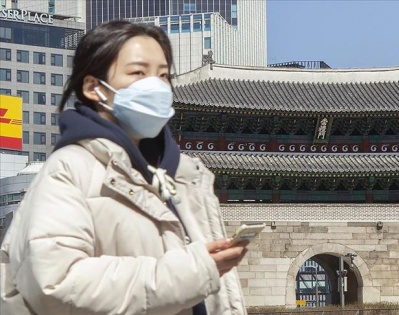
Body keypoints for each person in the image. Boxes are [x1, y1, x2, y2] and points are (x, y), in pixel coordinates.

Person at [0, 20, 249, 315]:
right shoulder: (70, 170)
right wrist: (190, 272)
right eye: (138, 73)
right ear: (94, 87)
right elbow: (55, 284)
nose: (155, 85)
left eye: (164, 75)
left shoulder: (186, 176)